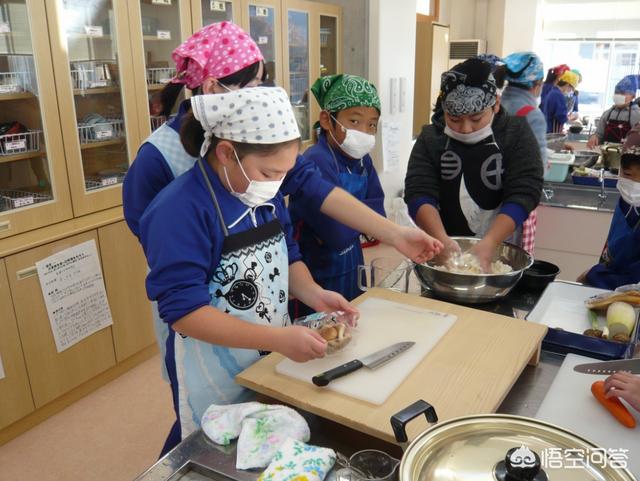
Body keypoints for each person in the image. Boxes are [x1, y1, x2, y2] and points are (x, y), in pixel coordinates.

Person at [124, 22, 443, 383]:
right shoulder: (171, 187)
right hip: (210, 338)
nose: (276, 182)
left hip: (268, 334)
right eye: (252, 85)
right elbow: (178, 287)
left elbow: (291, 230)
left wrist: (393, 236)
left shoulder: (263, 171)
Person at [140, 87, 359, 455]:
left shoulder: (259, 192)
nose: (276, 183)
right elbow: (184, 313)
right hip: (212, 368)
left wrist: (313, 293)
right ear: (227, 153)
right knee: (213, 443)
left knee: (260, 437)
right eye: (270, 171)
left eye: (284, 173)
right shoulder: (178, 210)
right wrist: (277, 340)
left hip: (268, 355)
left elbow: (286, 254)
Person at [289, 75, 436, 316]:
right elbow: (336, 234)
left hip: (351, 262)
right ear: (327, 120)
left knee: (351, 317)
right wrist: (364, 223)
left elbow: (378, 209)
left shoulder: (362, 160)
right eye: (355, 121)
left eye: (371, 125)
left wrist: (360, 223)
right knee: (321, 327)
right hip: (315, 270)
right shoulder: (317, 160)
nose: (365, 132)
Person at [404, 58, 544, 271]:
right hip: (442, 249)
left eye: (476, 119)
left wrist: (490, 242)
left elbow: (525, 191)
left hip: (501, 250)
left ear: (495, 104)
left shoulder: (516, 133)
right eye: (455, 119)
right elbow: (418, 192)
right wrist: (441, 240)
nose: (466, 128)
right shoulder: (432, 138)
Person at [579, 126, 640, 289]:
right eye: (628, 174)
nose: (635, 183)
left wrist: (594, 275)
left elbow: (634, 282)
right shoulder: (627, 201)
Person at [499, 51, 547, 255]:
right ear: (537, 83)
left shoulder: (494, 104)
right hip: (514, 198)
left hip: (484, 194)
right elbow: (538, 169)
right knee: (508, 257)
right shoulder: (531, 114)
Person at [587, 74, 640, 149]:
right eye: (616, 92)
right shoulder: (607, 113)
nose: (618, 95)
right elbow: (599, 134)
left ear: (633, 96)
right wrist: (594, 137)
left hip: (626, 158)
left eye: (622, 93)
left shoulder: (637, 115)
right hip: (606, 155)